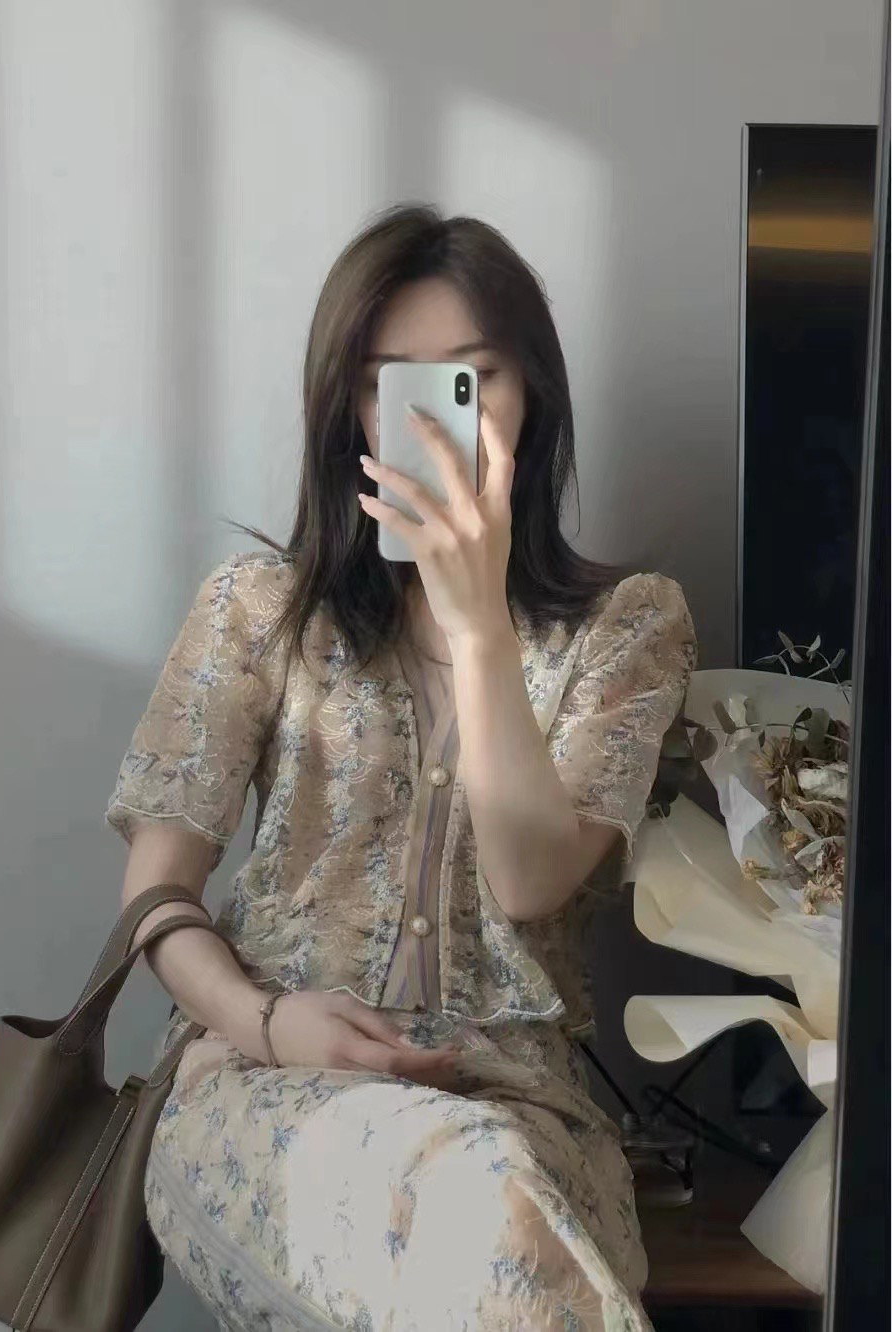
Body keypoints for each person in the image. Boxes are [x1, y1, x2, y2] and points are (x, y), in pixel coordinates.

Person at [106, 204, 697, 1331]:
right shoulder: (255, 613)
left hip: (516, 1114)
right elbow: (152, 900)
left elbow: (531, 880)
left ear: (532, 397)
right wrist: (269, 1022)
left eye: (470, 381)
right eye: (393, 384)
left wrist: (479, 627)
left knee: (490, 1201)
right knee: (481, 1214)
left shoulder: (629, 629)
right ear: (351, 411)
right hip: (265, 1087)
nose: (432, 423)